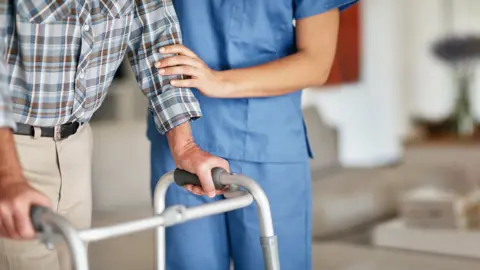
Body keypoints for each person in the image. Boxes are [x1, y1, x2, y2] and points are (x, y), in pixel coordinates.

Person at [0, 1, 228, 270]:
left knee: (73, 260)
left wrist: (186, 146)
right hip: (11, 147)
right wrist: (7, 175)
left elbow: (156, 40)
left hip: (77, 144)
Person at [147, 0, 359, 269]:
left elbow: (316, 63)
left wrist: (218, 81)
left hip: (267, 145)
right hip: (179, 142)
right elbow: (146, 32)